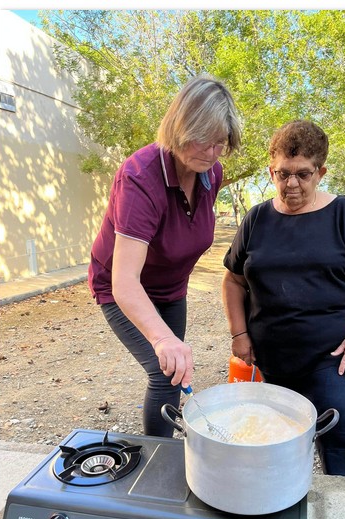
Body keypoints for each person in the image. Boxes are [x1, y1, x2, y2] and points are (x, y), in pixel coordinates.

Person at [222, 120, 345, 476]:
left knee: (337, 430)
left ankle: (341, 498)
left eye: (303, 174)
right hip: (271, 358)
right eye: (283, 174)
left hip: (334, 357)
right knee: (275, 436)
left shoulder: (343, 214)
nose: (292, 184)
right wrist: (239, 334)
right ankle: (282, 497)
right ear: (271, 171)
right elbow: (233, 281)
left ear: (320, 172)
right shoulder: (256, 219)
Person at [88, 74, 241, 437]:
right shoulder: (139, 177)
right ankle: (158, 456)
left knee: (175, 372)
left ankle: (167, 450)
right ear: (179, 128)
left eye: (220, 143)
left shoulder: (212, 172)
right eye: (203, 139)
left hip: (172, 287)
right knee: (164, 370)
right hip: (122, 287)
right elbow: (125, 281)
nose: (211, 153)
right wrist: (161, 338)